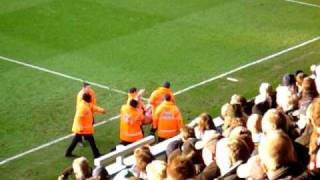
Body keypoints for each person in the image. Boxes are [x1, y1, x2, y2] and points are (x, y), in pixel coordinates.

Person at [65, 93, 106, 158]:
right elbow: (79, 118)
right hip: (83, 129)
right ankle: (96, 154)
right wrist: (81, 128)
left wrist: (101, 110)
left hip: (82, 128)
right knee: (91, 141)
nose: (91, 99)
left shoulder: (85, 104)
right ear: (88, 99)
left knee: (75, 140)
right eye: (90, 98)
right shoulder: (83, 108)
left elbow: (93, 107)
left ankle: (68, 152)